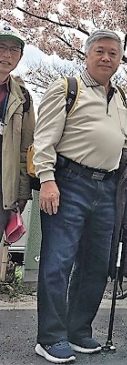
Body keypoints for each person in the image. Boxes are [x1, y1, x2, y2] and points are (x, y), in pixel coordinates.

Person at [33, 30, 127, 364]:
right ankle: (50, 337)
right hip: (68, 181)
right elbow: (43, 138)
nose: (106, 58)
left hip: (107, 188)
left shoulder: (120, 99)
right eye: (100, 51)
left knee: (96, 265)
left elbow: (121, 142)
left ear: (119, 59)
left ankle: (78, 330)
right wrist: (47, 178)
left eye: (113, 53)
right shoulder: (66, 88)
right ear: (86, 55)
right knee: (58, 262)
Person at [0, 22, 34, 279]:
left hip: (4, 186)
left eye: (13, 50)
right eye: (1, 48)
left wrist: (21, 194)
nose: (7, 55)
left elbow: (27, 149)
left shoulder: (22, 96)